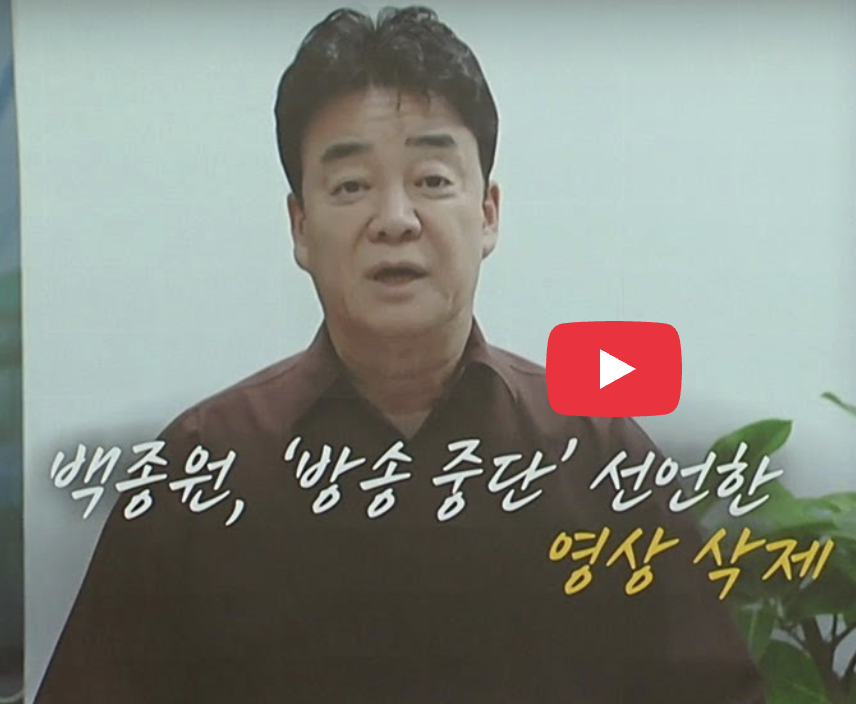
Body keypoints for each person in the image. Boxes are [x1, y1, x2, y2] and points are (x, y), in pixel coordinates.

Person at [34, 6, 765, 703]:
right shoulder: (200, 468)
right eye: (351, 185)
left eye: (432, 181)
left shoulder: (601, 454)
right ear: (299, 226)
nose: (394, 219)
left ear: (488, 214)